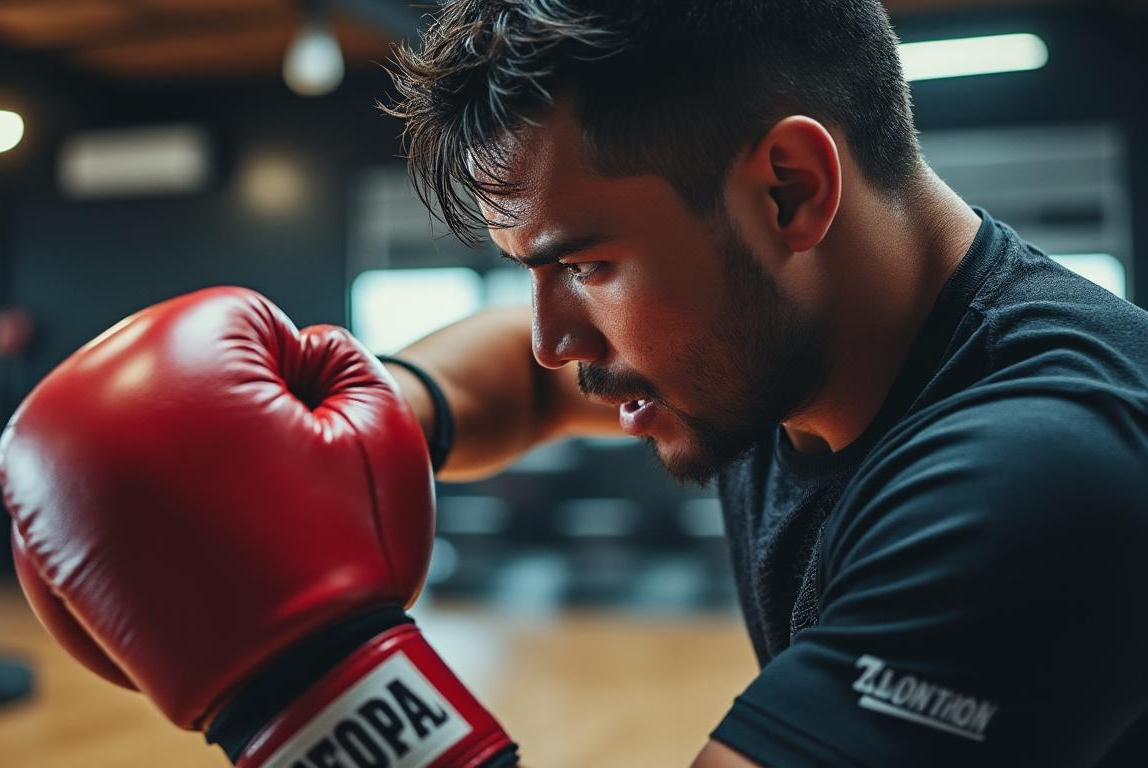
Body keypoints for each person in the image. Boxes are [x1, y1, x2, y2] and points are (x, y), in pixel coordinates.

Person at [377, 1, 1148, 765]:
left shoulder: (1043, 466)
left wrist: (339, 684)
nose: (554, 344)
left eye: (585, 266)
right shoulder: (772, 351)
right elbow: (526, 375)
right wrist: (374, 424)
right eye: (535, 273)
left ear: (790, 190)